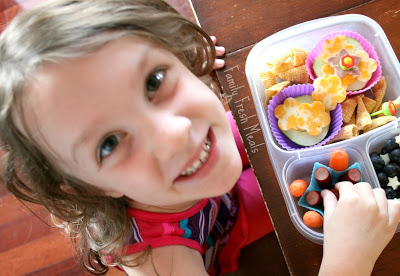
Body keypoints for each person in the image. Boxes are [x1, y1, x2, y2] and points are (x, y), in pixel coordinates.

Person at [0, 0, 399, 275]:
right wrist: (348, 262)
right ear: (80, 186)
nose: (174, 134)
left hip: (196, 179)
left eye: (154, 80)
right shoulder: (162, 262)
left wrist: (188, 58)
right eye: (109, 143)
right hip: (222, 226)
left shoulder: (188, 127)